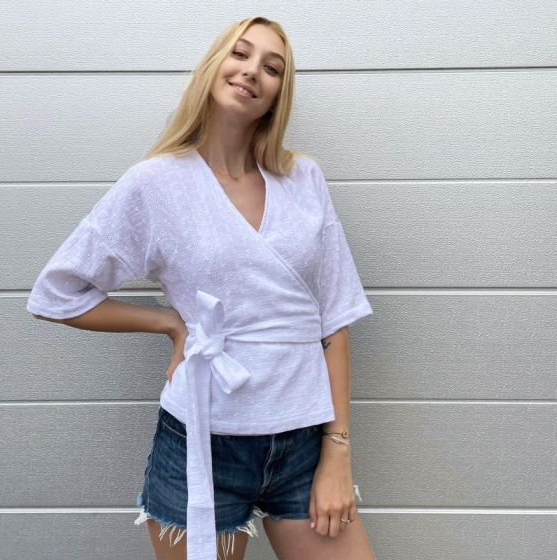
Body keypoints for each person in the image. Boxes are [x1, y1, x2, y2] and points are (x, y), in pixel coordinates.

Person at [27, 16, 377, 560]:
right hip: (201, 440)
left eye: (272, 67)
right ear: (215, 65)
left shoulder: (303, 179)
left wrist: (337, 451)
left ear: (279, 93)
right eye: (240, 53)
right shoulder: (156, 183)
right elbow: (57, 293)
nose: (252, 71)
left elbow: (334, 319)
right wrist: (170, 323)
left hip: (303, 442)